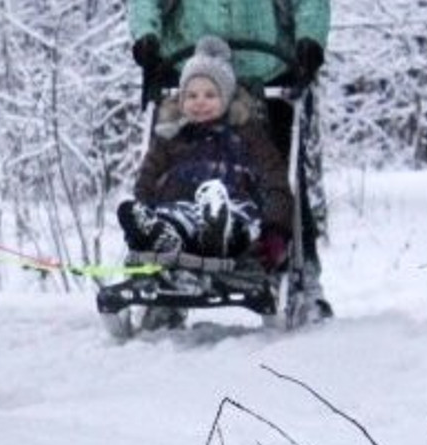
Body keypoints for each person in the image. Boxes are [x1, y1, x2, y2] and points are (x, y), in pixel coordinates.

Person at [126, 0, 333, 322]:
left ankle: (297, 268)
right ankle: (166, 257)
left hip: (266, 77)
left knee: (275, 176)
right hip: (189, 76)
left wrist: (309, 43)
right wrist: (147, 39)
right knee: (173, 170)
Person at [117, 37, 294, 286]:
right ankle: (162, 236)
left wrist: (275, 228)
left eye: (210, 95)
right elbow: (148, 175)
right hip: (181, 207)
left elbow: (275, 179)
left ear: (227, 98)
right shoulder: (171, 135)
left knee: (230, 220)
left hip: (235, 207)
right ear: (181, 100)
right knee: (173, 218)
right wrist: (143, 204)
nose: (200, 102)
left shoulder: (248, 133)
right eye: (191, 95)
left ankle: (219, 233)